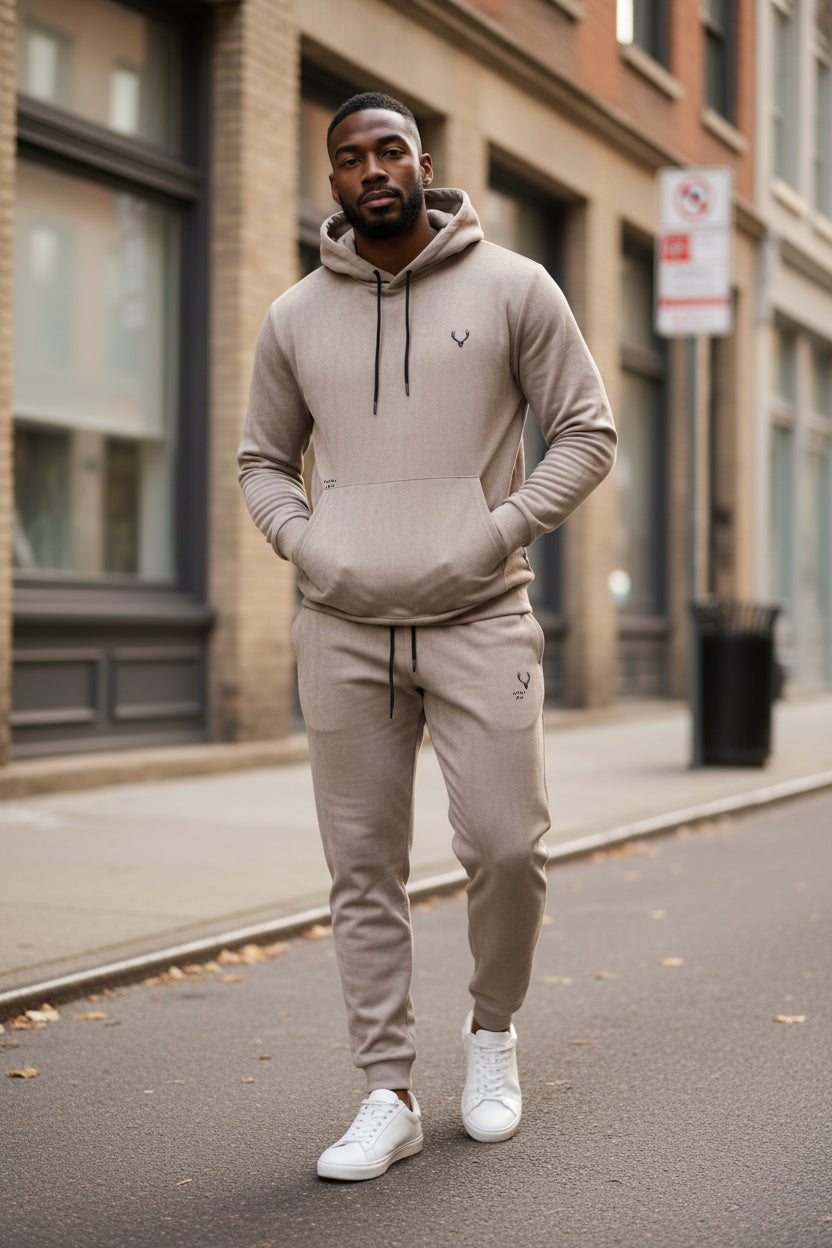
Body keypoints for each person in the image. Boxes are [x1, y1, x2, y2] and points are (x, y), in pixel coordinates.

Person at [238, 91, 616, 1182]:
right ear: (333, 179)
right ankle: (387, 1092)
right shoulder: (292, 317)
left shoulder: (514, 289)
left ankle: (491, 1032)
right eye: (349, 157)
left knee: (508, 848)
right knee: (361, 869)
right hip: (342, 630)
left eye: (388, 149)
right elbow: (261, 461)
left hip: (480, 614)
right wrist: (310, 548)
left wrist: (495, 530)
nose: (371, 169)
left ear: (423, 160)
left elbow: (585, 431)